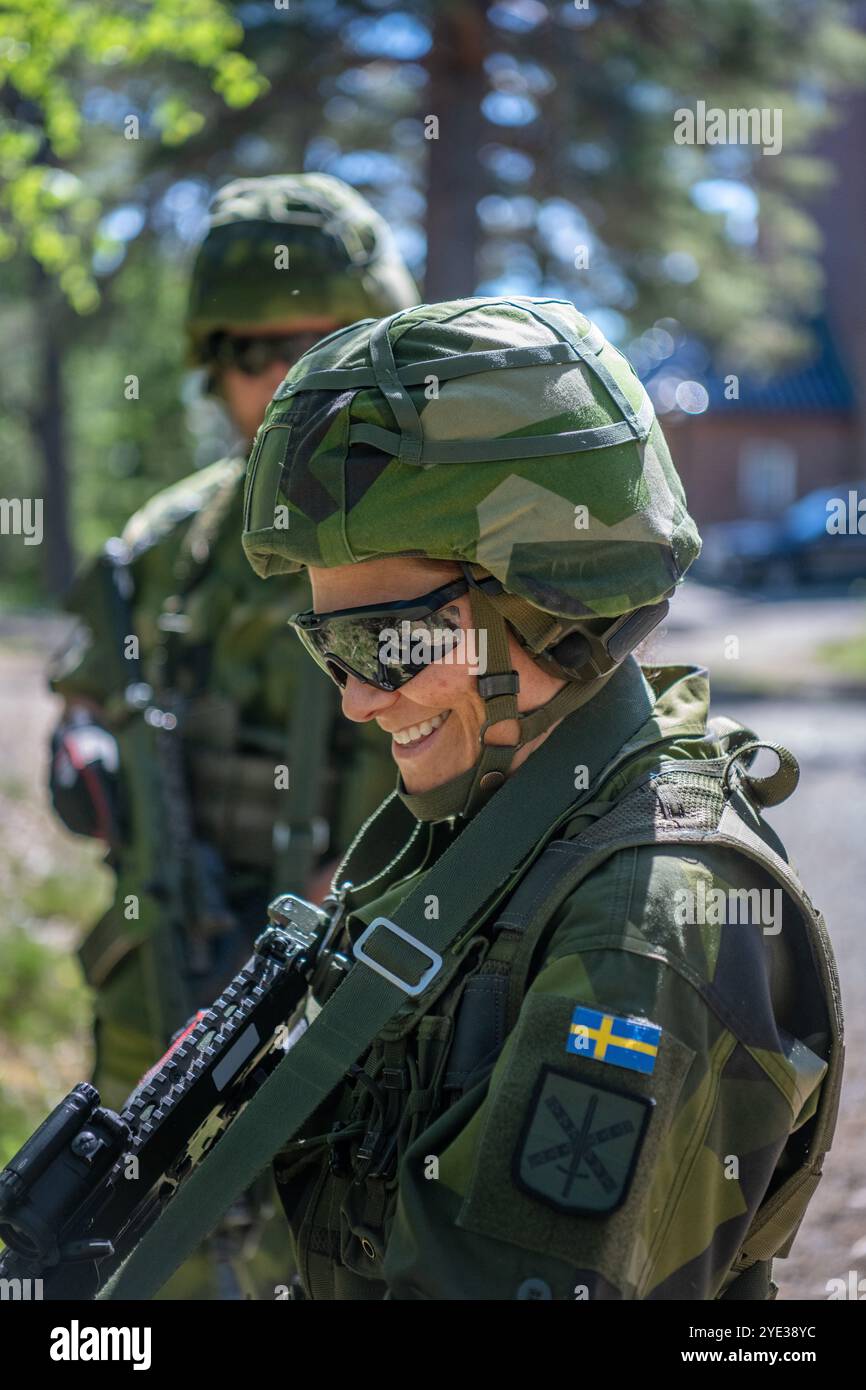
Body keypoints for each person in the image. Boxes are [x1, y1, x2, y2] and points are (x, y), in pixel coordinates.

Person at [238, 294, 843, 1300]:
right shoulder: (495, 825)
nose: (354, 699)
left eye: (385, 644)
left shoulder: (640, 920)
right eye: (329, 644)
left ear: (549, 602)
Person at [46, 173, 419, 1296]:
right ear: (214, 364)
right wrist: (87, 769)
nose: (291, 376)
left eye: (327, 341)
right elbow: (80, 721)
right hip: (168, 986)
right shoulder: (165, 549)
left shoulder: (453, 533)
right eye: (259, 351)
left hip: (379, 991)